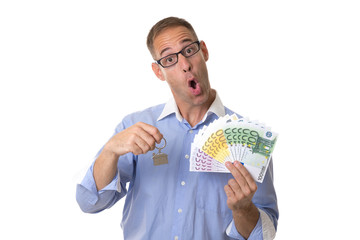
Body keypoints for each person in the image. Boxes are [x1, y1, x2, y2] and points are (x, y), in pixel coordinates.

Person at [76, 16, 278, 240]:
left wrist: (243, 209)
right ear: (158, 71)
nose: (185, 64)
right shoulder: (136, 126)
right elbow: (90, 202)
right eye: (170, 59)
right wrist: (110, 150)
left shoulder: (250, 140)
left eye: (189, 50)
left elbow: (264, 235)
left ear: (204, 51)